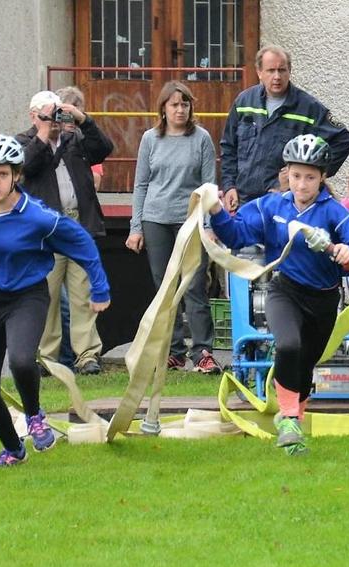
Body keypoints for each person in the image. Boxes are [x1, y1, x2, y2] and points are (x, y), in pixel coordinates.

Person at [208, 134, 349, 456]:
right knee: (288, 345)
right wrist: (216, 210)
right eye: (296, 176)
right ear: (287, 173)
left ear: (323, 177)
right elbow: (235, 235)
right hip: (284, 291)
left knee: (305, 364)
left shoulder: (335, 212)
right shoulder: (270, 206)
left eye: (310, 178)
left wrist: (347, 249)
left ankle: (293, 428)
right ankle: (287, 419)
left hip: (324, 300)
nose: (302, 185)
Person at [0, 134, 110, 467]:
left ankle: (35, 415)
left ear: (16, 175)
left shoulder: (37, 216)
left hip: (27, 295)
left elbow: (82, 244)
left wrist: (100, 288)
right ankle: (13, 448)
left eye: (2, 174)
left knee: (22, 361)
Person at [17, 88, 113, 375]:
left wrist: (83, 119)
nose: (56, 120)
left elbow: (103, 148)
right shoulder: (23, 141)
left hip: (78, 224)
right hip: (46, 229)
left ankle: (86, 355)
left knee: (83, 292)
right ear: (33, 115)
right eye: (49, 114)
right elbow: (25, 167)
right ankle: (47, 356)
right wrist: (44, 134)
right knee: (46, 293)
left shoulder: (75, 138)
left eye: (58, 113)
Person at [125, 80, 219, 372]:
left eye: (185, 104)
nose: (180, 110)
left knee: (194, 285)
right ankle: (173, 350)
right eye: (174, 104)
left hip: (190, 221)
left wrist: (208, 225)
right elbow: (141, 184)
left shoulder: (201, 138)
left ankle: (202, 351)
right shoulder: (150, 139)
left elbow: (208, 186)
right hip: (155, 219)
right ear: (163, 109)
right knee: (164, 287)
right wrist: (135, 226)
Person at [220, 45, 349, 210]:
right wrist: (229, 186)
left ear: (289, 71)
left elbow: (343, 141)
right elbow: (228, 147)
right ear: (259, 72)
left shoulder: (308, 107)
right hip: (244, 202)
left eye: (282, 70)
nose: (277, 76)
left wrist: (312, 173)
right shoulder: (244, 102)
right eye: (271, 70)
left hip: (284, 203)